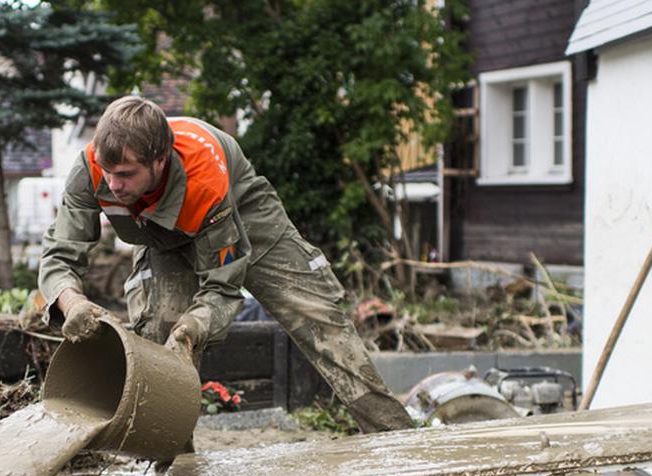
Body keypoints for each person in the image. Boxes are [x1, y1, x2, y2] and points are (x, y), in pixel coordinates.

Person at [38, 96, 413, 433]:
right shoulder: (93, 167)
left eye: (126, 175)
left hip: (245, 217)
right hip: (160, 234)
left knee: (317, 319)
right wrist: (72, 302)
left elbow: (222, 285)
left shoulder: (204, 179)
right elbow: (60, 252)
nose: (114, 185)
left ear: (160, 160)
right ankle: (171, 462)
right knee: (158, 333)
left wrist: (194, 328)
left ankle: (394, 438)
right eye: (108, 172)